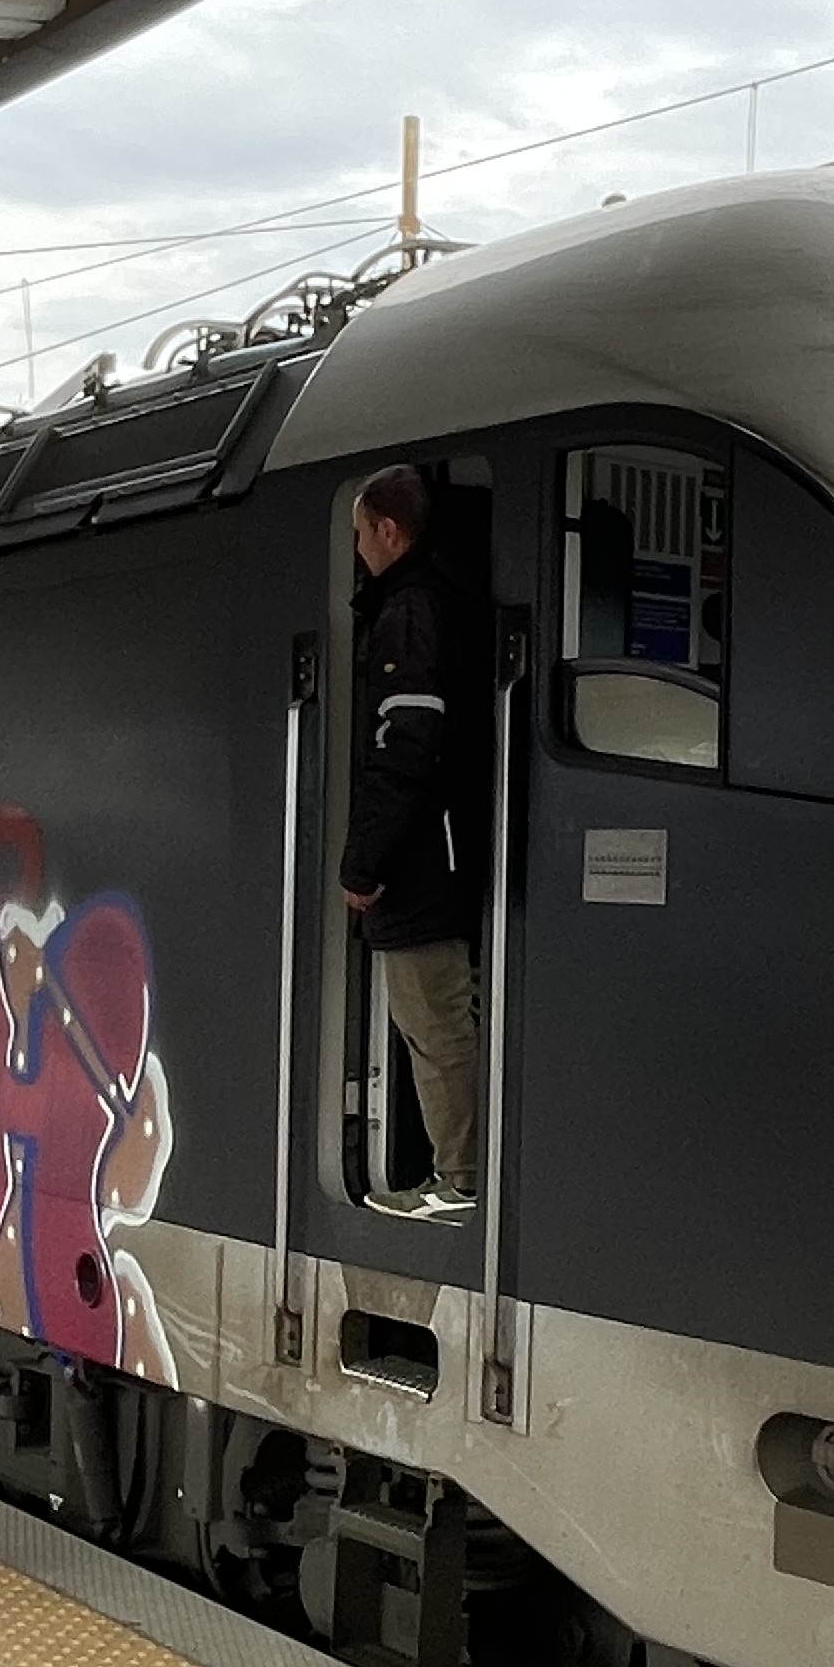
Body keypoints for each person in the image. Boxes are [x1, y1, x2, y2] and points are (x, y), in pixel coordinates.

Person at [340, 465, 486, 1220]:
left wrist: (363, 863)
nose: (357, 548)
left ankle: (461, 1179)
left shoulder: (409, 612)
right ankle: (459, 1171)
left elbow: (405, 748)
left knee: (434, 1026)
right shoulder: (439, 600)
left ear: (388, 530)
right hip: (438, 853)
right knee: (434, 1023)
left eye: (360, 532)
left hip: (423, 863)